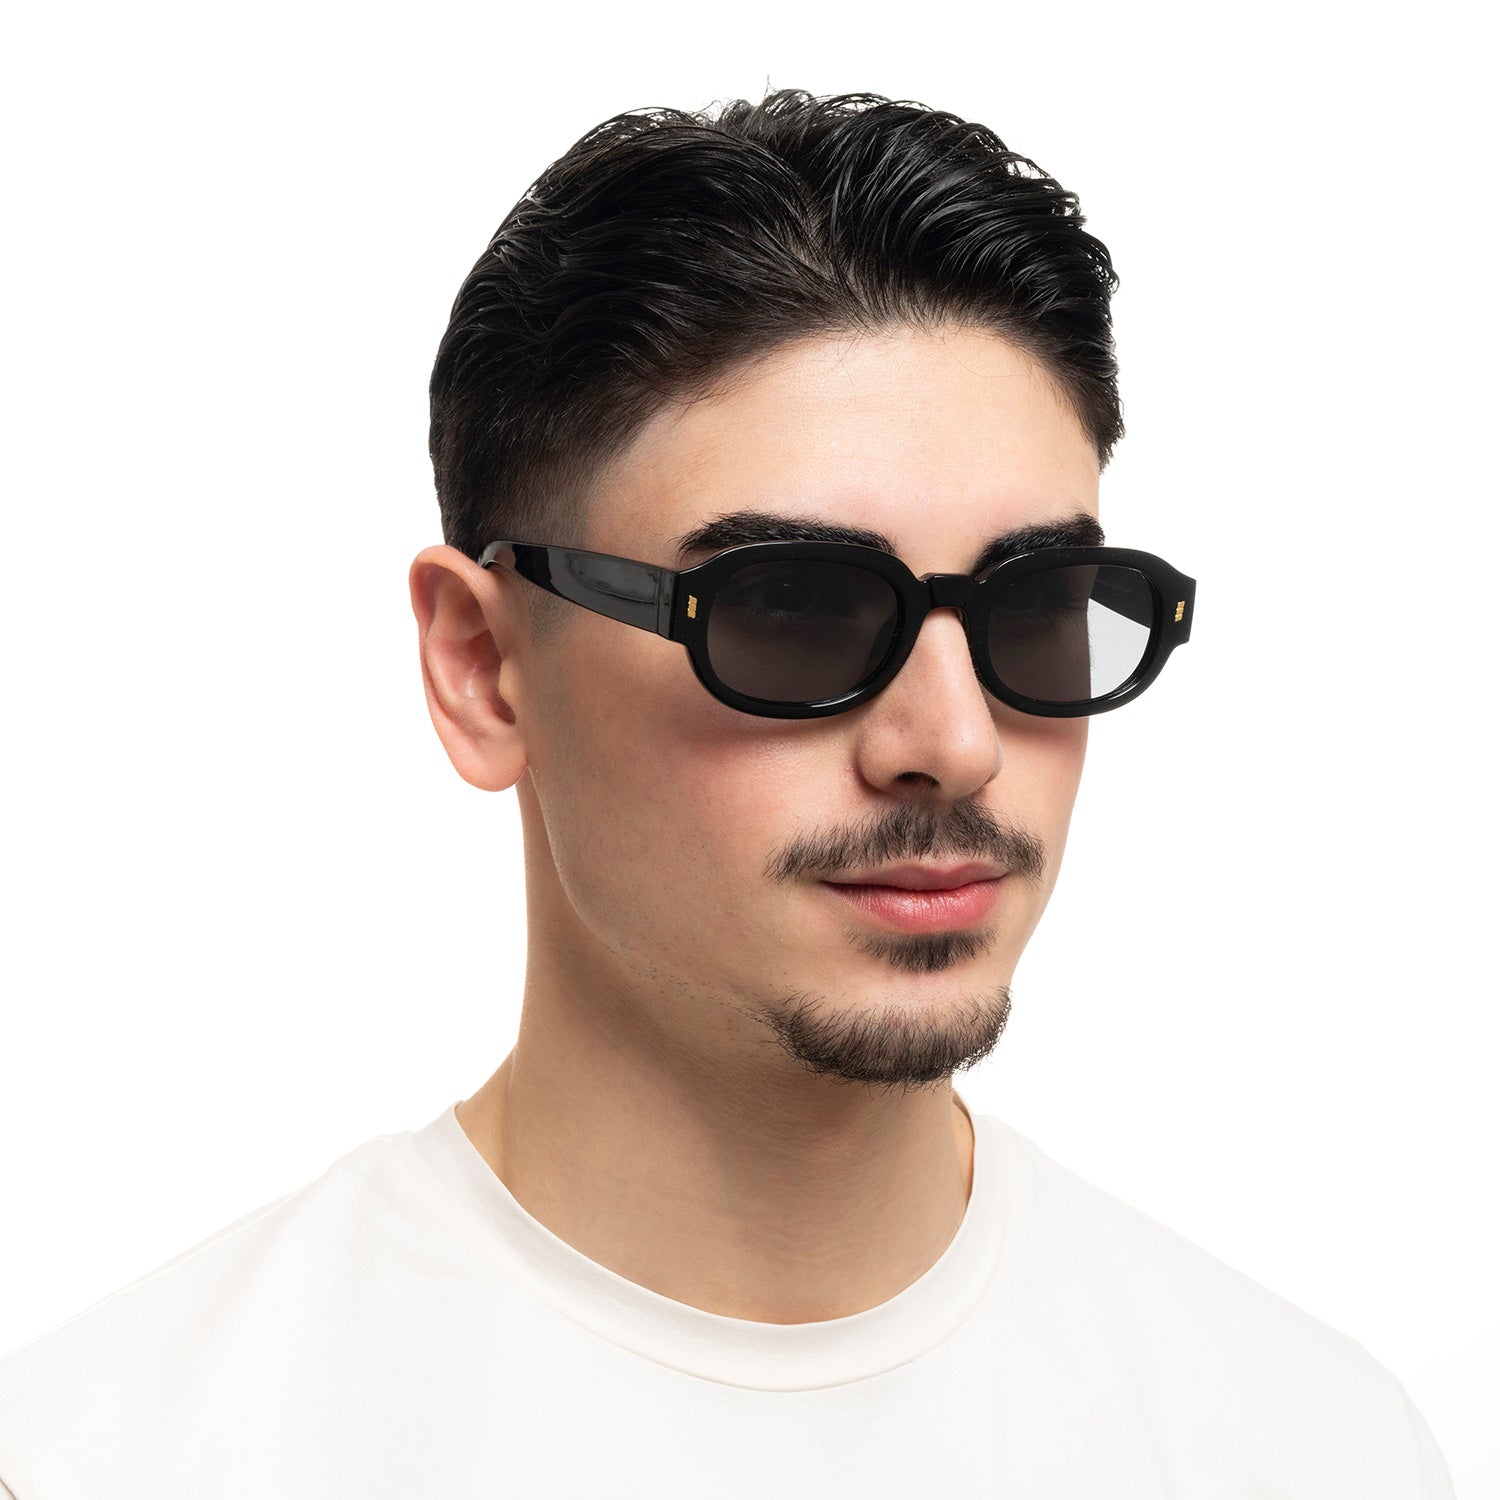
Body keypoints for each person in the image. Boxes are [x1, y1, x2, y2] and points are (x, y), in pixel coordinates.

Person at [0, 87, 1454, 1498]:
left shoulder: (1313, 1451)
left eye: (1037, 606)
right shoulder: (114, 1460)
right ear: (486, 671)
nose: (954, 742)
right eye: (793, 610)